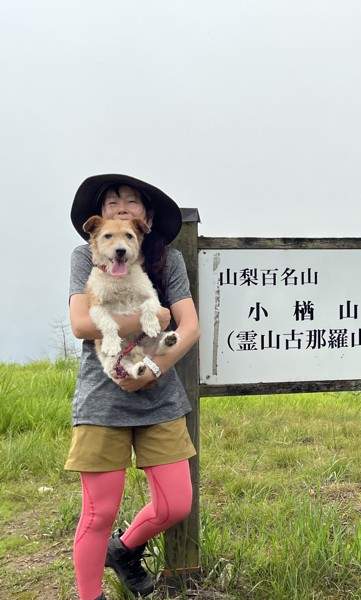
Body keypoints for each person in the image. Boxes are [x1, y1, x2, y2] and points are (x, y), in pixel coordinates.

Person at [66, 174, 200, 600]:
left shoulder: (170, 262)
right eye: (111, 202)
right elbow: (82, 325)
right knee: (98, 511)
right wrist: (150, 320)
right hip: (102, 397)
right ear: (99, 222)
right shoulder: (83, 258)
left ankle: (123, 550)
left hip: (159, 397)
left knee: (175, 504)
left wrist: (151, 371)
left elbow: (190, 326)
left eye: (131, 202)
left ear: (147, 218)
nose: (121, 207)